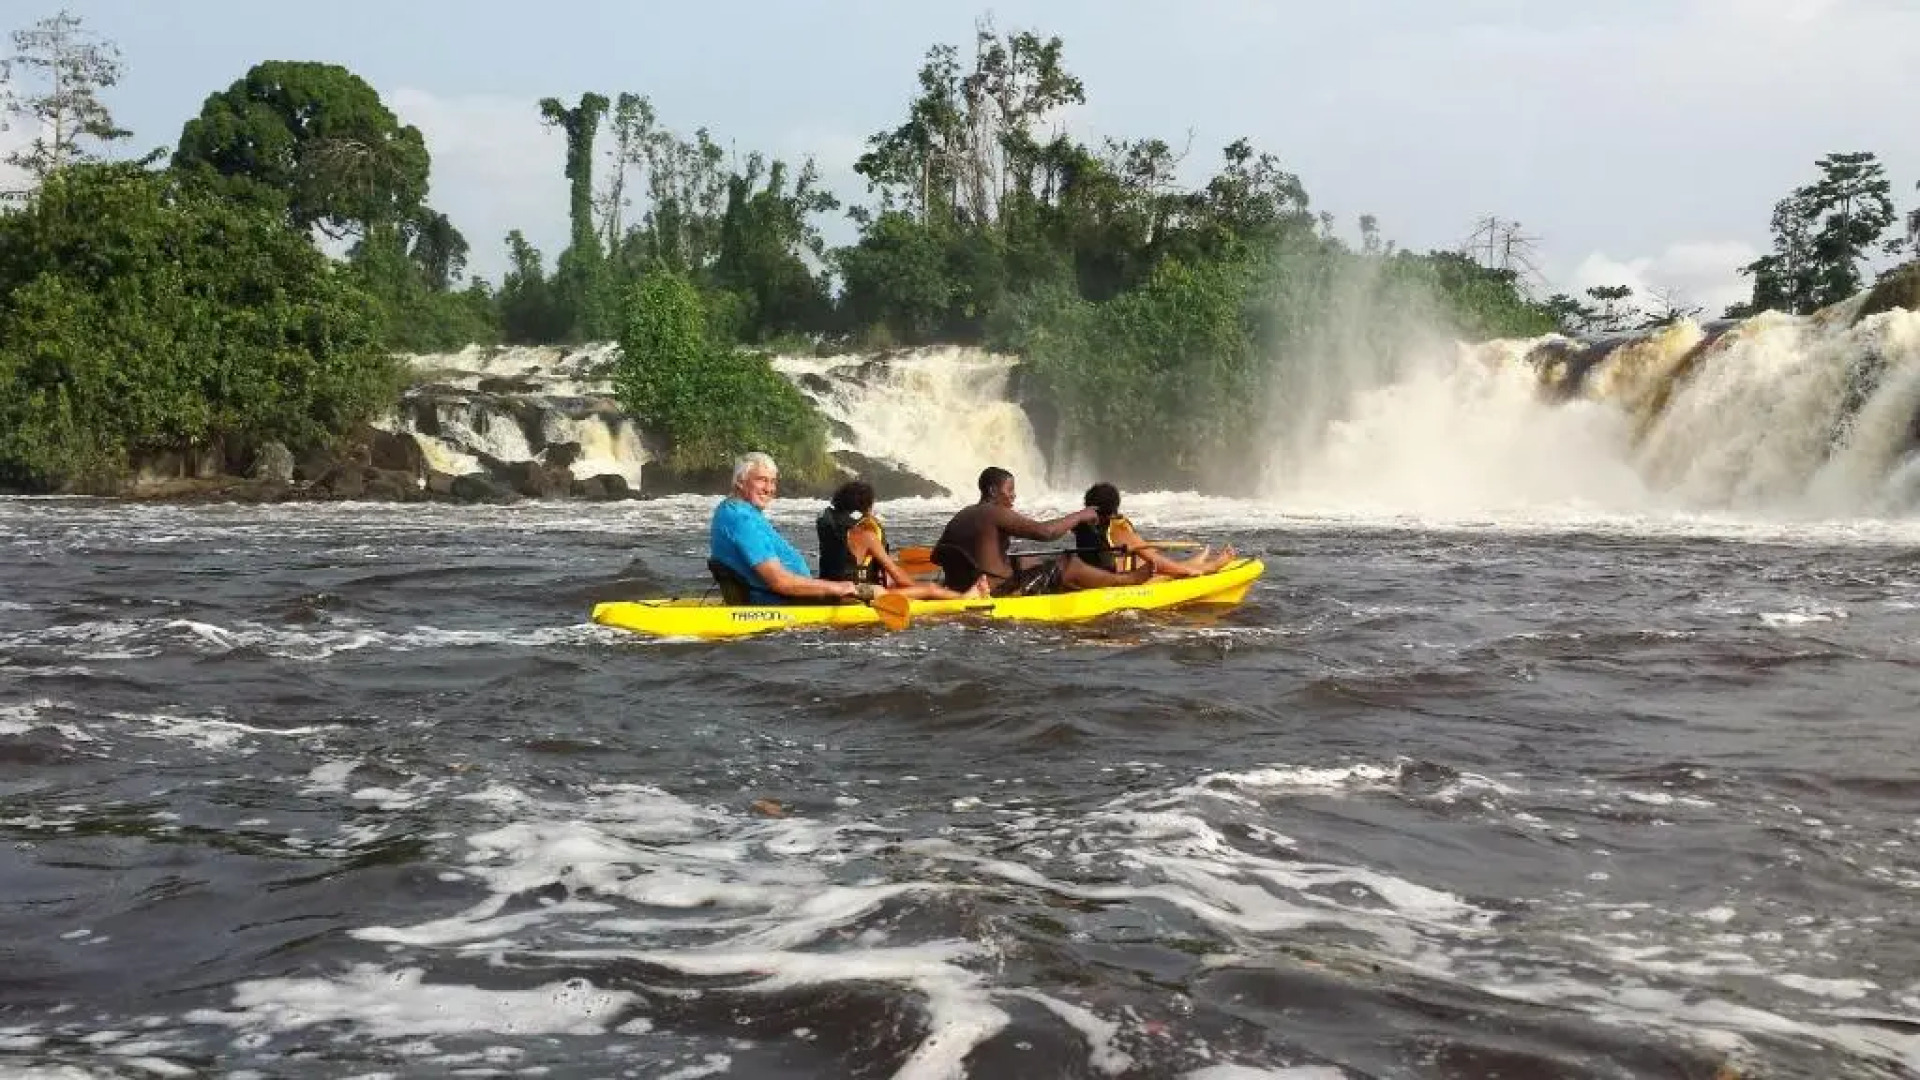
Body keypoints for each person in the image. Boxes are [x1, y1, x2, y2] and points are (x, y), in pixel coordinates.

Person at [932, 467, 1151, 596]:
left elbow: (937, 555)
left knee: (1029, 562)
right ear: (992, 491)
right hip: (997, 590)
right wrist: (1080, 515)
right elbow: (1045, 533)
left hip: (961, 586)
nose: (1014, 496)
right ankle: (1126, 581)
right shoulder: (995, 512)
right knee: (1069, 563)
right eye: (1010, 490)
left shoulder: (962, 514)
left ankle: (1072, 582)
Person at [710, 452, 890, 605]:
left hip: (782, 596)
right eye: (762, 480)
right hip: (779, 600)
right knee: (879, 591)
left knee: (876, 589)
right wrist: (840, 587)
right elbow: (780, 582)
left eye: (772, 482)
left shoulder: (738, 511)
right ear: (740, 482)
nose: (769, 488)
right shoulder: (741, 519)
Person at [817, 480, 988, 600]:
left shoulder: (833, 531)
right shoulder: (866, 535)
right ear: (867, 508)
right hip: (854, 594)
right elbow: (899, 577)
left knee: (892, 586)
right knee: (930, 588)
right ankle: (965, 598)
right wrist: (920, 588)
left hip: (828, 588)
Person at [1072, 482, 1236, 579]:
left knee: (1140, 557)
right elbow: (1158, 564)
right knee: (1153, 563)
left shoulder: (1081, 525)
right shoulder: (1117, 529)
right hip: (1112, 579)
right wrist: (1189, 572)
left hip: (1091, 577)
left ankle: (1194, 563)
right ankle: (1209, 566)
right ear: (1114, 508)